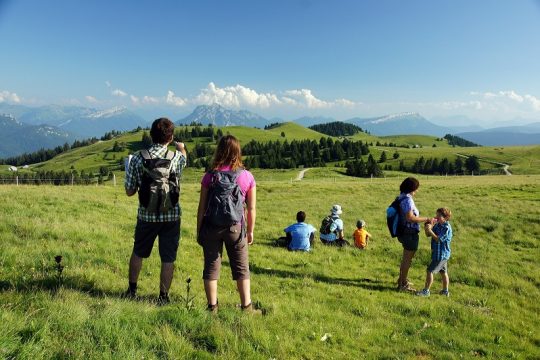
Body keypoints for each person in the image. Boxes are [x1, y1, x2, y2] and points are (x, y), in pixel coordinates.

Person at [124, 117, 187, 304]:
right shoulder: (176, 158)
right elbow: (184, 159)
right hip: (171, 215)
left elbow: (129, 191)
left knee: (138, 252)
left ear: (151, 135)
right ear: (171, 137)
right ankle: (163, 297)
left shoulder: (137, 158)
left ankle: (132, 291)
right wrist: (181, 147)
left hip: (146, 215)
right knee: (168, 258)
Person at [196, 135, 260, 314]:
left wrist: (199, 229)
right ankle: (247, 307)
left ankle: (212, 308)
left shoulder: (209, 176)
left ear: (219, 151)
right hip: (235, 228)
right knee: (241, 268)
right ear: (237, 152)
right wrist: (250, 231)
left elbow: (201, 207)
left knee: (211, 267)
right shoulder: (247, 176)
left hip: (211, 227)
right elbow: (252, 208)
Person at [396, 177, 431, 292]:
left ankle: (402, 280)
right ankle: (402, 285)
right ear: (412, 188)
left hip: (404, 231)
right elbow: (410, 217)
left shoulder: (401, 197)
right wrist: (426, 218)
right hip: (409, 233)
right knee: (407, 259)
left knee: (405, 258)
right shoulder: (407, 199)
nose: (417, 190)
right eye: (416, 188)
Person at [416, 208, 453, 297]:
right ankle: (445, 291)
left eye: (439, 216)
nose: (436, 217)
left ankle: (426, 291)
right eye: (436, 215)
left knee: (430, 271)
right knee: (443, 272)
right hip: (439, 254)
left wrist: (430, 230)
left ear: (446, 218)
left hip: (441, 255)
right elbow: (428, 234)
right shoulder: (438, 225)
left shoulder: (446, 228)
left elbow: (438, 239)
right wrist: (427, 227)